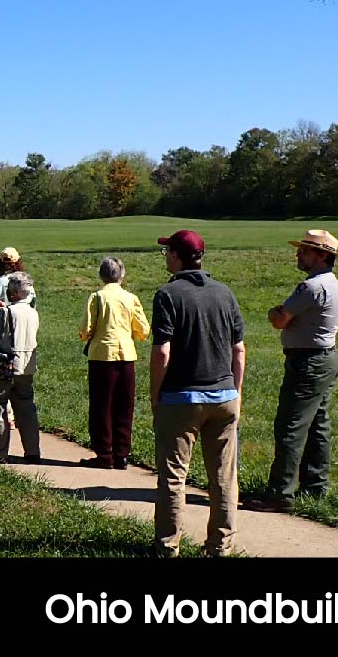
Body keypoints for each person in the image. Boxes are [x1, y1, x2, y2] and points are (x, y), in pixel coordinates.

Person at [149, 229, 245, 557]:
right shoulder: (225, 293)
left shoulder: (168, 294)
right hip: (224, 395)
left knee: (174, 477)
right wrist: (237, 391)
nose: (165, 257)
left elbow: (162, 352)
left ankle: (167, 547)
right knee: (223, 478)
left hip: (181, 398)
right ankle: (220, 546)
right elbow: (239, 350)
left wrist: (155, 394)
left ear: (177, 256)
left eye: (167, 252)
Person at [246, 230, 338, 513]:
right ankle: (315, 487)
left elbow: (279, 319)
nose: (298, 254)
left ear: (322, 255)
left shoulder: (311, 287)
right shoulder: (332, 283)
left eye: (305, 250)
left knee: (290, 426)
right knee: (318, 425)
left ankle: (280, 494)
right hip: (326, 359)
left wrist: (273, 313)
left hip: (308, 363)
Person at [79, 256, 150, 470]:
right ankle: (122, 453)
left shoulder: (97, 297)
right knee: (124, 406)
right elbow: (143, 329)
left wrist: (87, 335)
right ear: (122, 275)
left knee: (102, 406)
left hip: (102, 355)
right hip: (127, 355)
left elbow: (86, 329)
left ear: (102, 275)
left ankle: (104, 453)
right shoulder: (131, 298)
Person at [0, 272, 41, 464]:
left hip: (4, 365)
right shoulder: (33, 312)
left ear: (14, 292)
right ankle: (33, 451)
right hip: (27, 366)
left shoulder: (5, 312)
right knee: (26, 408)